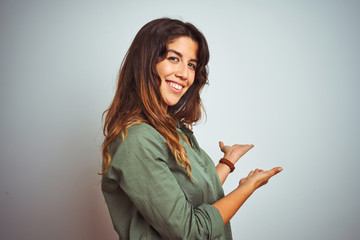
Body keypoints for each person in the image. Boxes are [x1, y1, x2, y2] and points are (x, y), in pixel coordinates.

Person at [100, 18, 283, 240]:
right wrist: (248, 187)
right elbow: (190, 231)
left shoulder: (172, 128)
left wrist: (227, 162)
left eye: (191, 65)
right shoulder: (137, 140)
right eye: (174, 58)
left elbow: (190, 199)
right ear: (146, 62)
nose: (184, 74)